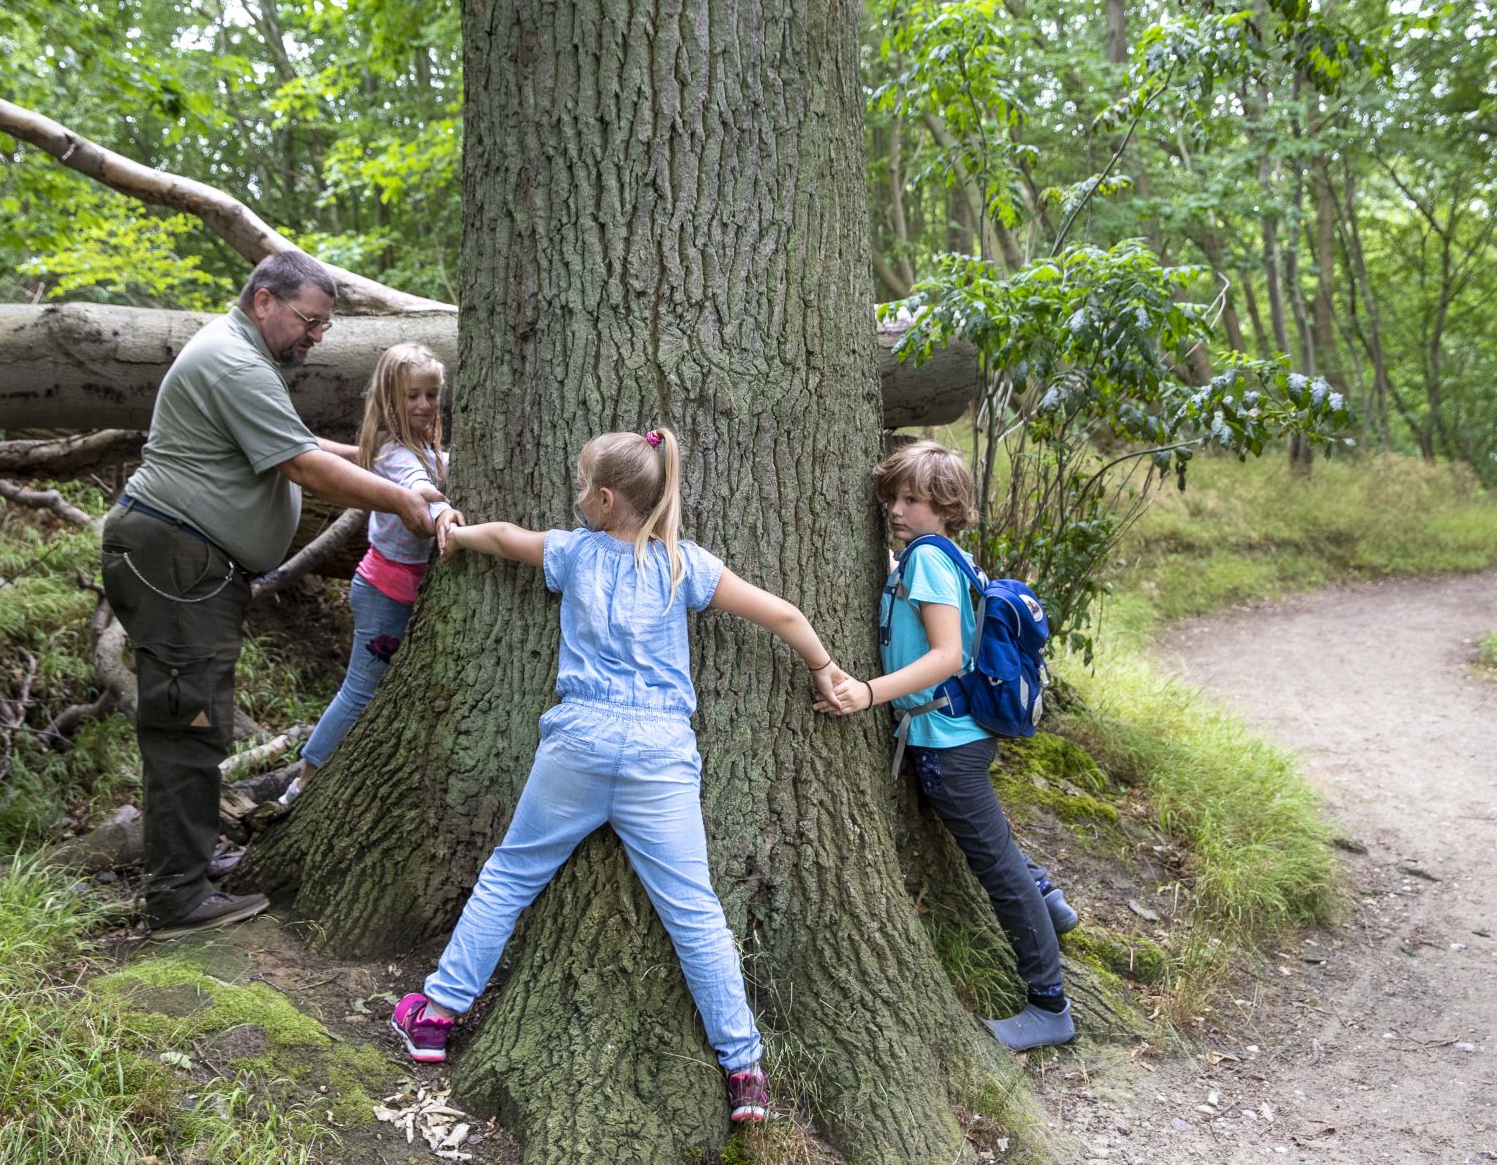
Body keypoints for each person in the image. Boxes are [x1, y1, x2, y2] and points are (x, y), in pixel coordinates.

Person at [388, 428, 847, 1126]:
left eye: (581, 486)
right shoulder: (683, 564)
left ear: (605, 500)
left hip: (580, 741)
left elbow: (506, 538)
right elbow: (783, 614)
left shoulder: (574, 552)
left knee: (511, 874)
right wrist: (824, 668)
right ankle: (744, 1069)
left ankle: (436, 1017)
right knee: (694, 911)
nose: (576, 496)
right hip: (660, 753)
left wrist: (457, 531)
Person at [100, 251, 441, 941]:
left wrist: (375, 459)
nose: (316, 337)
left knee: (199, 719)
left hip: (190, 563)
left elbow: (298, 442)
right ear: (264, 301)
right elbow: (301, 465)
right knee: (186, 724)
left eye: (323, 326)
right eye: (309, 322)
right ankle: (177, 898)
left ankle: (192, 865)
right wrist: (404, 499)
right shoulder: (234, 362)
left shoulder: (243, 357)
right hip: (175, 559)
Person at [819, 439, 1077, 1052]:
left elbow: (947, 656)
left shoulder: (929, 559)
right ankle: (1049, 899)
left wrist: (867, 693)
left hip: (949, 745)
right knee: (995, 848)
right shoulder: (941, 556)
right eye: (894, 497)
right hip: (954, 736)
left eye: (914, 500)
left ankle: (1050, 1007)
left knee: (999, 871)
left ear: (946, 507)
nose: (897, 509)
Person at [279, 342, 458, 803]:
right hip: (386, 591)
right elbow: (416, 485)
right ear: (389, 399)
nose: (424, 404)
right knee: (361, 689)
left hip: (400, 589)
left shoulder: (420, 445)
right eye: (412, 395)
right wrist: (443, 513)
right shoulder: (395, 453)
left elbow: (432, 469)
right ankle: (304, 781)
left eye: (431, 394)